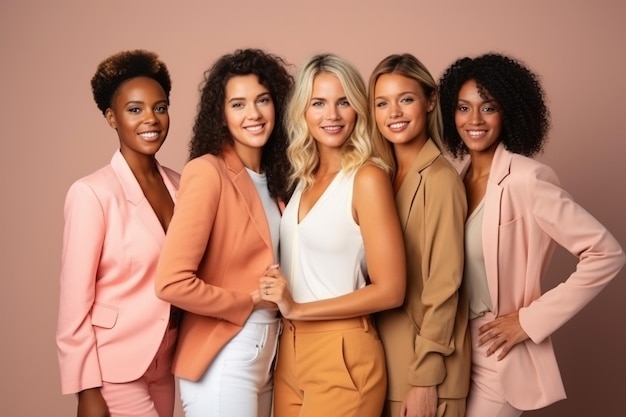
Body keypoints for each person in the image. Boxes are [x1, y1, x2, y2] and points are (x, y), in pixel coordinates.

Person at [438, 53, 626, 416]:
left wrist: (529, 321)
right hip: (453, 351)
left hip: (498, 355)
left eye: (487, 107)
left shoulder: (528, 178)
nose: (474, 120)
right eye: (463, 108)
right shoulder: (454, 182)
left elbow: (607, 253)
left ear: (508, 111)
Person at [258, 53, 406, 417]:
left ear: (358, 108)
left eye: (343, 102)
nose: (332, 115)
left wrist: (298, 308)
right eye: (319, 103)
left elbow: (391, 290)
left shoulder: (367, 179)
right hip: (289, 350)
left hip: (342, 349)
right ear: (303, 112)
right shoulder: (300, 182)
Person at [154, 48, 293, 417]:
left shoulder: (279, 181)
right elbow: (171, 282)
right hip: (223, 354)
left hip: (269, 352)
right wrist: (247, 301)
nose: (254, 114)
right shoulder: (208, 172)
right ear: (221, 114)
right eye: (238, 104)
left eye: (262, 100)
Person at [56, 50, 180, 417]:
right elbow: (73, 304)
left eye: (160, 107)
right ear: (112, 117)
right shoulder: (91, 193)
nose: (151, 120)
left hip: (167, 361)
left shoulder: (182, 184)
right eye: (135, 109)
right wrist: (86, 390)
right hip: (114, 366)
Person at [368, 53, 470, 417]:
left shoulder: (440, 180)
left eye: (405, 99)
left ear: (429, 101)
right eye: (382, 103)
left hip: (426, 373)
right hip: (385, 367)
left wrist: (425, 378)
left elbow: (446, 284)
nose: (393, 113)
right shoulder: (378, 177)